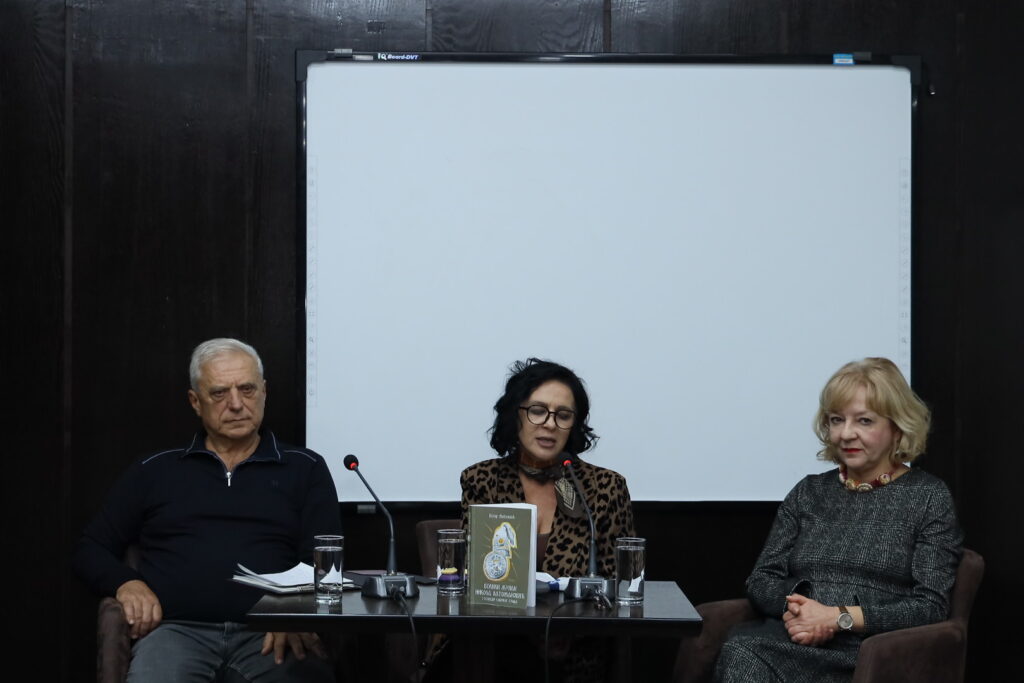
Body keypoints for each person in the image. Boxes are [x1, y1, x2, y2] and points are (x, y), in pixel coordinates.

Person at [73, 338, 341, 683]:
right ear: (195, 402)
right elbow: (90, 548)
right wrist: (125, 583)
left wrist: (293, 612)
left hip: (270, 633)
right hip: (177, 632)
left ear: (264, 392)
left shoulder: (305, 468)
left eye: (247, 389)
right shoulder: (154, 470)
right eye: (219, 393)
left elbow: (325, 559)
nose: (236, 404)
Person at [713, 357, 963, 683]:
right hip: (791, 638)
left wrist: (837, 617)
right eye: (836, 420)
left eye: (864, 421)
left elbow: (930, 606)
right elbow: (761, 581)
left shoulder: (928, 497)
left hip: (869, 652)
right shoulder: (808, 492)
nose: (846, 434)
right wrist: (800, 611)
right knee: (741, 651)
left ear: (897, 427)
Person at [459, 358, 635, 682]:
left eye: (563, 415)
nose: (550, 424)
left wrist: (569, 630)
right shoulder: (482, 480)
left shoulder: (605, 488)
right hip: (496, 644)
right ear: (516, 415)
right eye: (538, 411)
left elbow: (618, 586)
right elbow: (476, 577)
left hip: (575, 649)